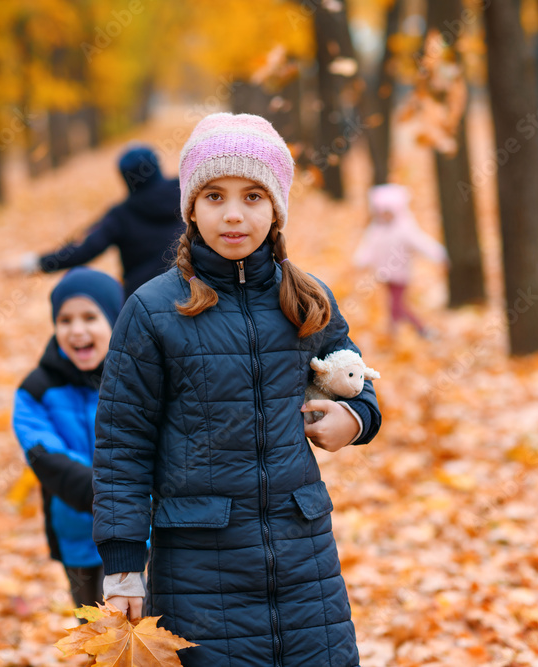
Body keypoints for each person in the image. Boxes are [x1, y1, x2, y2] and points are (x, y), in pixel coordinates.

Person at [92, 113, 381, 666]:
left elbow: (356, 381)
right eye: (214, 196)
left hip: (305, 564)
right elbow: (122, 446)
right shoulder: (153, 311)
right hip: (201, 569)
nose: (233, 214)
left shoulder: (307, 300)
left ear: (276, 208)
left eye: (253, 196)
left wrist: (357, 420)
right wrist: (125, 568)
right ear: (190, 208)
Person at [12, 267, 123, 607]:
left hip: (143, 535)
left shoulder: (140, 378)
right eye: (65, 320)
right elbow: (45, 456)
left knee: (144, 627)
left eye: (90, 317)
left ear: (116, 321)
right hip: (77, 533)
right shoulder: (36, 390)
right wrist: (113, 497)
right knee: (92, 630)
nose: (77, 330)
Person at [4, 145, 185, 297]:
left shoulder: (120, 216)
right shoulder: (188, 194)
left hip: (143, 301)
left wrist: (32, 263)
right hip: (191, 291)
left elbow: (83, 250)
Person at [353, 183, 448, 338]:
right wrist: (360, 261)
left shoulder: (405, 229)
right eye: (382, 212)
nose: (385, 216)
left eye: (388, 212)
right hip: (384, 274)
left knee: (397, 305)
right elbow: (368, 246)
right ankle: (395, 333)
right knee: (392, 305)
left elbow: (421, 243)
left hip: (401, 275)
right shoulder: (377, 229)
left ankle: (421, 330)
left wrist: (439, 255)